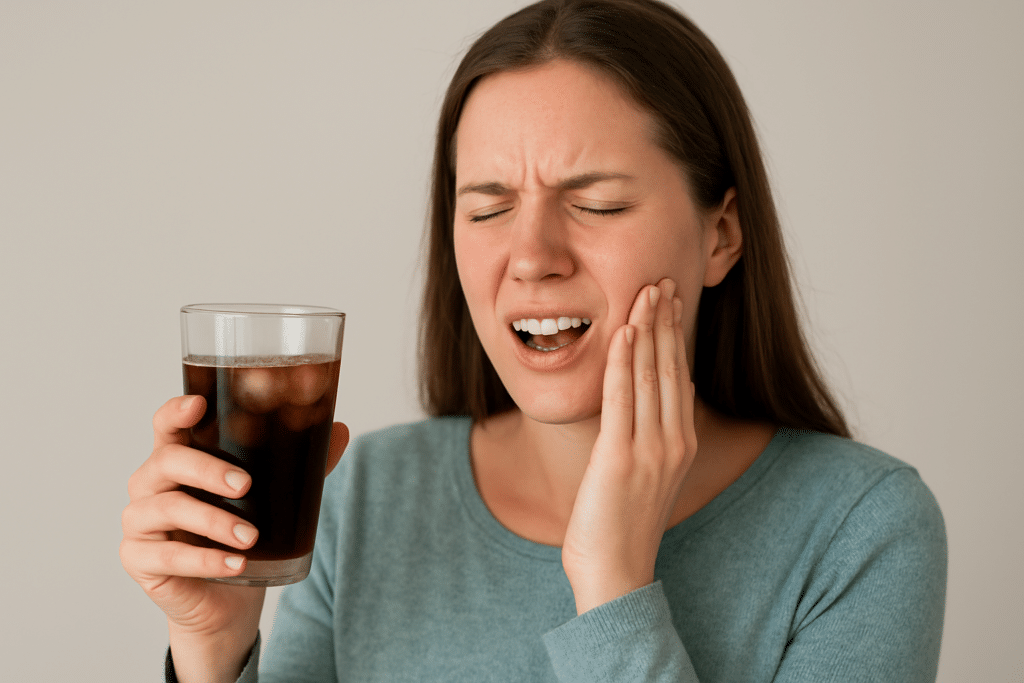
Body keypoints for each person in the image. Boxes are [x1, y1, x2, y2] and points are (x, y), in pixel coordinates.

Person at [120, 0, 948, 681]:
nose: (531, 258)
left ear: (721, 233)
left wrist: (614, 586)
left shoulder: (860, 529)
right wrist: (212, 646)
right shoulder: (360, 499)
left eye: (597, 204)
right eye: (487, 207)